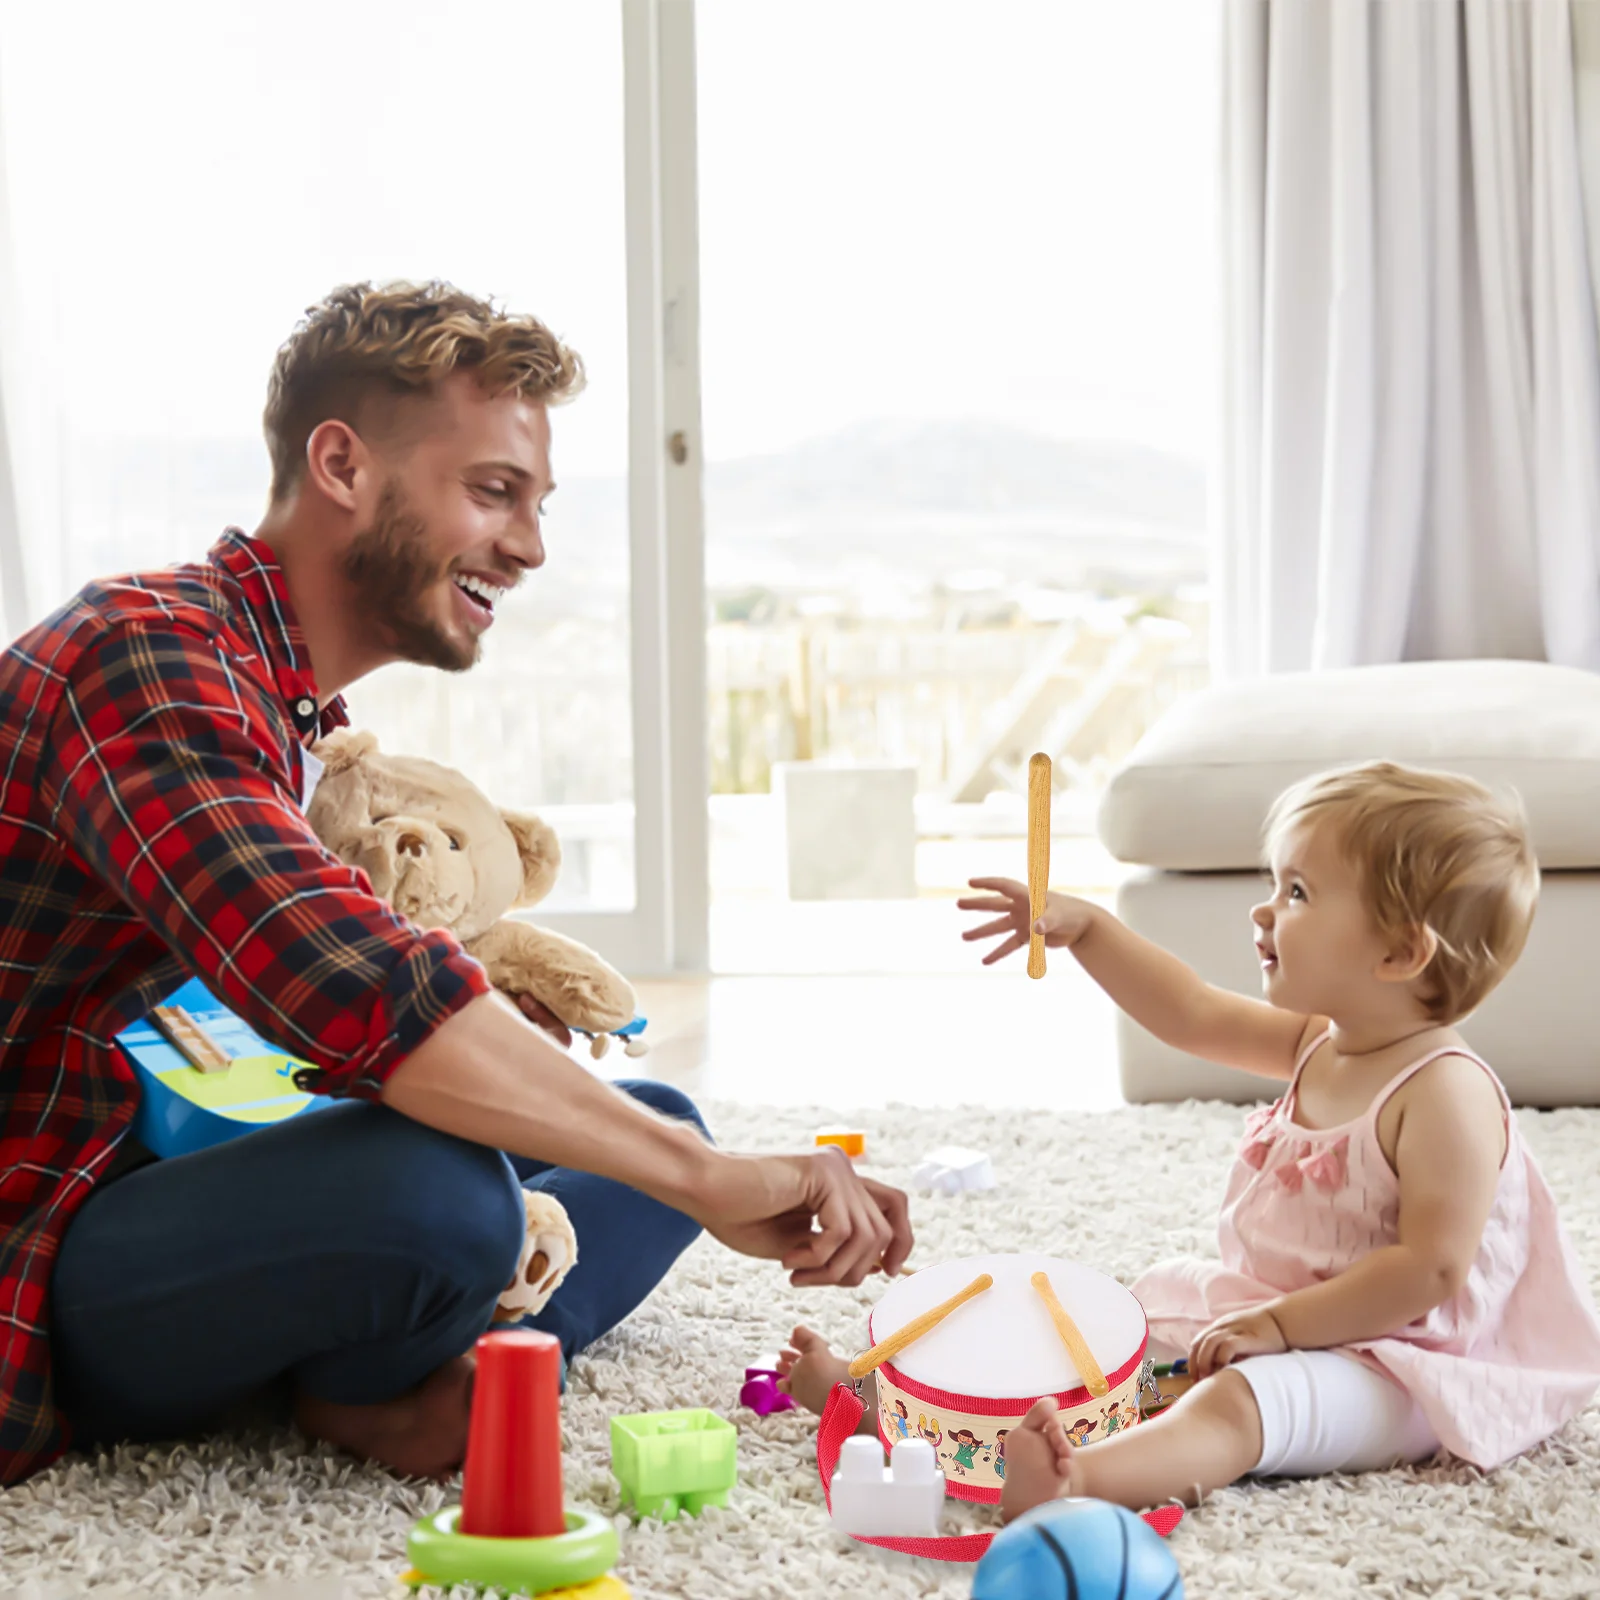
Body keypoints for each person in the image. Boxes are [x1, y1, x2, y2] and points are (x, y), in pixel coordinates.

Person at [0, 280, 912, 1489]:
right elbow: (351, 988)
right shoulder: (146, 659)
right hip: (43, 1230)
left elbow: (276, 1010)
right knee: (441, 1192)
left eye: (535, 503)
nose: (529, 546)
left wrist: (649, 1145)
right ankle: (392, 1380)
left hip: (137, 1160)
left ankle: (414, 1376)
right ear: (343, 466)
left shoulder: (265, 690)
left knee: (650, 1120)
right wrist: (711, 1183)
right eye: (493, 492)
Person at [777, 761, 1600, 1520]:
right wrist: (1088, 929)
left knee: (1238, 1407)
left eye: (1300, 893)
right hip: (1268, 1310)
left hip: (1405, 1363)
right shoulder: (1320, 1039)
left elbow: (1430, 1271)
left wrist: (1279, 1330)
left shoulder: (1445, 1092)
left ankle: (1076, 1481)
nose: (1264, 909)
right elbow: (1192, 1012)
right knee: (1113, 1328)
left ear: (1400, 951)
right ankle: (891, 1406)